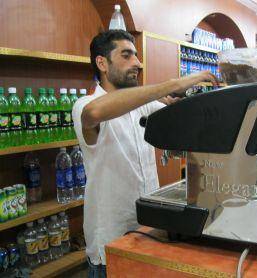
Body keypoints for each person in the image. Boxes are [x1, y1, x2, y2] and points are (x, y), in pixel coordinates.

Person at [72, 30, 217, 277]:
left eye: (137, 56)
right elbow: (95, 114)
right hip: (110, 239)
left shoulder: (145, 106)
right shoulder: (84, 106)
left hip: (149, 231)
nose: (137, 63)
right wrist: (174, 83)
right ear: (102, 63)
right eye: (127, 55)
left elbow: (177, 113)